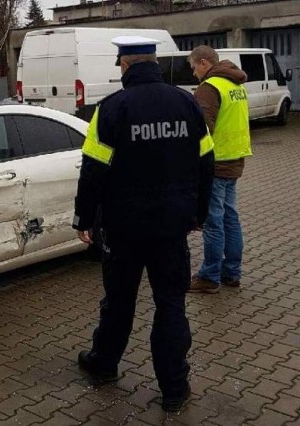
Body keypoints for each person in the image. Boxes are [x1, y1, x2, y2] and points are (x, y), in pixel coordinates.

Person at [73, 36, 215, 413]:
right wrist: (198, 213)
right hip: (172, 229)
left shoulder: (111, 109)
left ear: (124, 65)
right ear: (153, 62)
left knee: (119, 302)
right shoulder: (187, 103)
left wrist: (83, 219)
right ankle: (173, 389)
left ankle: (104, 364)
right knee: (170, 305)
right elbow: (206, 163)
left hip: (123, 230)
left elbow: (93, 172)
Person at [187, 45, 252, 294]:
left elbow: (201, 130)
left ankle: (209, 276)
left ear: (204, 63)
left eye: (194, 67)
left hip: (215, 163)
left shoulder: (210, 87)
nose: (194, 74)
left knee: (213, 221)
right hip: (235, 159)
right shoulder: (235, 84)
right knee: (230, 218)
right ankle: (231, 272)